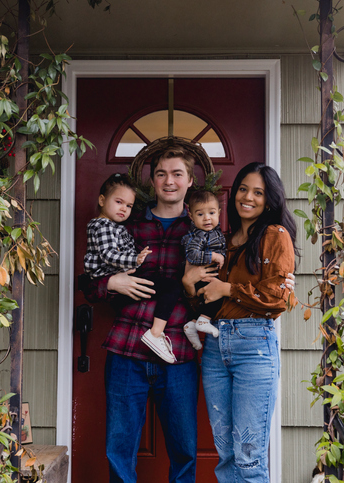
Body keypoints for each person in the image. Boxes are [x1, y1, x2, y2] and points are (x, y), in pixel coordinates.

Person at [80, 147, 199, 483]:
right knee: (119, 450)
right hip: (127, 351)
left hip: (177, 353)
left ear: (189, 181)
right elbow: (89, 284)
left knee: (185, 451)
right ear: (153, 180)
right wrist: (111, 282)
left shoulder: (200, 230)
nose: (169, 181)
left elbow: (212, 289)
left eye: (177, 174)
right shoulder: (126, 225)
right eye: (161, 173)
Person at [183, 162, 298, 482]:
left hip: (254, 346)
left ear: (270, 200)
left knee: (249, 456)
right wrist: (190, 286)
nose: (248, 197)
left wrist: (229, 288)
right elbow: (207, 301)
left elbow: (279, 299)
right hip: (216, 347)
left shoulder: (275, 236)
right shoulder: (223, 241)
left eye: (258, 192)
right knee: (227, 454)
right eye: (243, 189)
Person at [84, 173, 182, 363]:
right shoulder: (103, 226)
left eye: (128, 206)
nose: (124, 209)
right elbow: (108, 256)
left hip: (179, 346)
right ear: (102, 200)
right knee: (171, 287)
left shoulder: (197, 225)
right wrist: (135, 261)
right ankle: (155, 333)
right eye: (119, 202)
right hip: (126, 341)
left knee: (167, 286)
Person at [180, 190, 226, 350]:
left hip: (206, 276)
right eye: (200, 214)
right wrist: (213, 256)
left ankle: (192, 324)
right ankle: (204, 320)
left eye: (212, 213)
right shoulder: (199, 235)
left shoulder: (213, 233)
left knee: (204, 301)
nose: (207, 218)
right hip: (201, 276)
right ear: (191, 216)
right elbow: (192, 255)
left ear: (219, 213)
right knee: (217, 297)